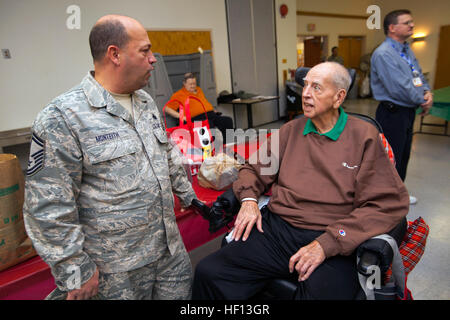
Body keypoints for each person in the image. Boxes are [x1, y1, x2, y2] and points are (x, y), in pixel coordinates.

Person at [192, 62, 409, 300]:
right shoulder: (290, 130)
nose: (305, 93)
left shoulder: (364, 137)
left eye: (316, 87)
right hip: (278, 230)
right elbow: (252, 170)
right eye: (305, 86)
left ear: (339, 97)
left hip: (334, 234)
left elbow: (387, 204)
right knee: (209, 273)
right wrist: (249, 200)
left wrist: (327, 243)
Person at [23, 15, 197, 300]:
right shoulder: (62, 118)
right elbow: (47, 206)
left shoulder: (146, 102)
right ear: (114, 54)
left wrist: (192, 199)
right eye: (145, 51)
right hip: (116, 271)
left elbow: (167, 155)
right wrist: (75, 270)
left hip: (169, 255)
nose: (153, 59)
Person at [371, 9, 433, 205]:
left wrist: (427, 92)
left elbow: (418, 76)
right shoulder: (384, 54)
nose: (412, 26)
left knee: (404, 155)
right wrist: (421, 100)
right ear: (392, 28)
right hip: (392, 113)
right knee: (391, 158)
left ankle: (398, 194)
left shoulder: (406, 50)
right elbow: (399, 87)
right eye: (407, 22)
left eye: (411, 22)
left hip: (407, 111)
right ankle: (387, 200)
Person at [165, 73, 233, 142]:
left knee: (227, 120)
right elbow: (167, 109)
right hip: (195, 119)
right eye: (190, 84)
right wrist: (182, 117)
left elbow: (203, 103)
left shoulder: (199, 90)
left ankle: (228, 144)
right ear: (184, 83)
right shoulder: (179, 94)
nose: (193, 86)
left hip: (210, 115)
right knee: (208, 124)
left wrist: (211, 109)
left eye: (194, 83)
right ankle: (212, 148)